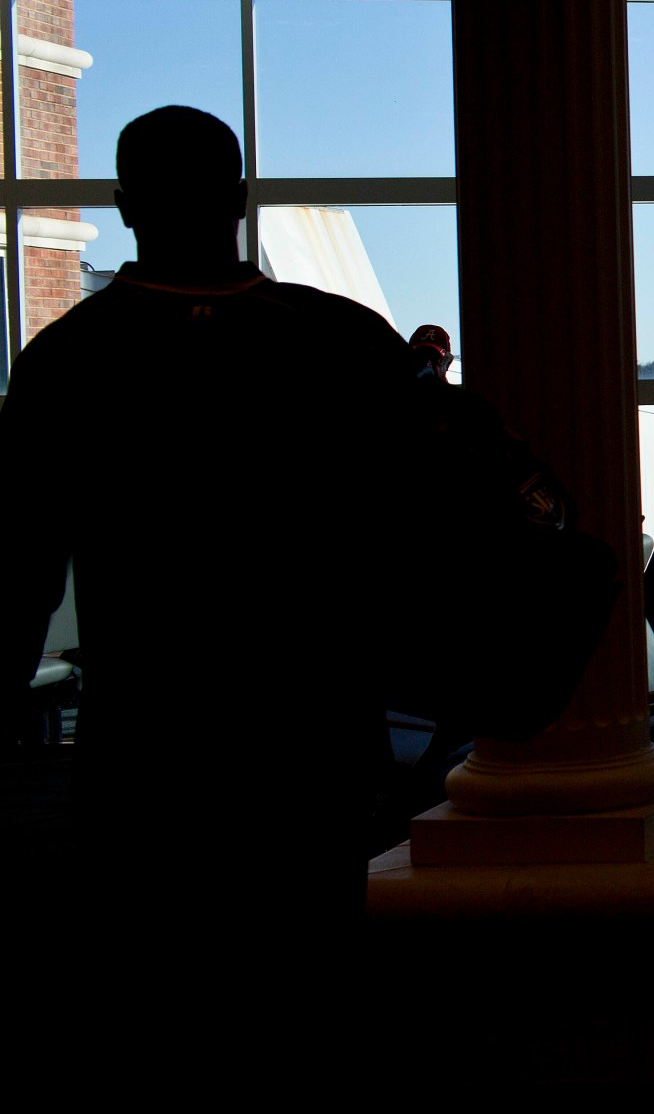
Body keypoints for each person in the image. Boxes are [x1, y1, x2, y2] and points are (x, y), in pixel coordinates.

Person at [0, 106, 425, 1053]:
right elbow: (414, 534)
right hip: (307, 735)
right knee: (307, 986)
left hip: (149, 743)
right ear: (239, 198)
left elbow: (20, 567)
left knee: (161, 994)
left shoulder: (68, 360)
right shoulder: (343, 343)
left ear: (121, 206)